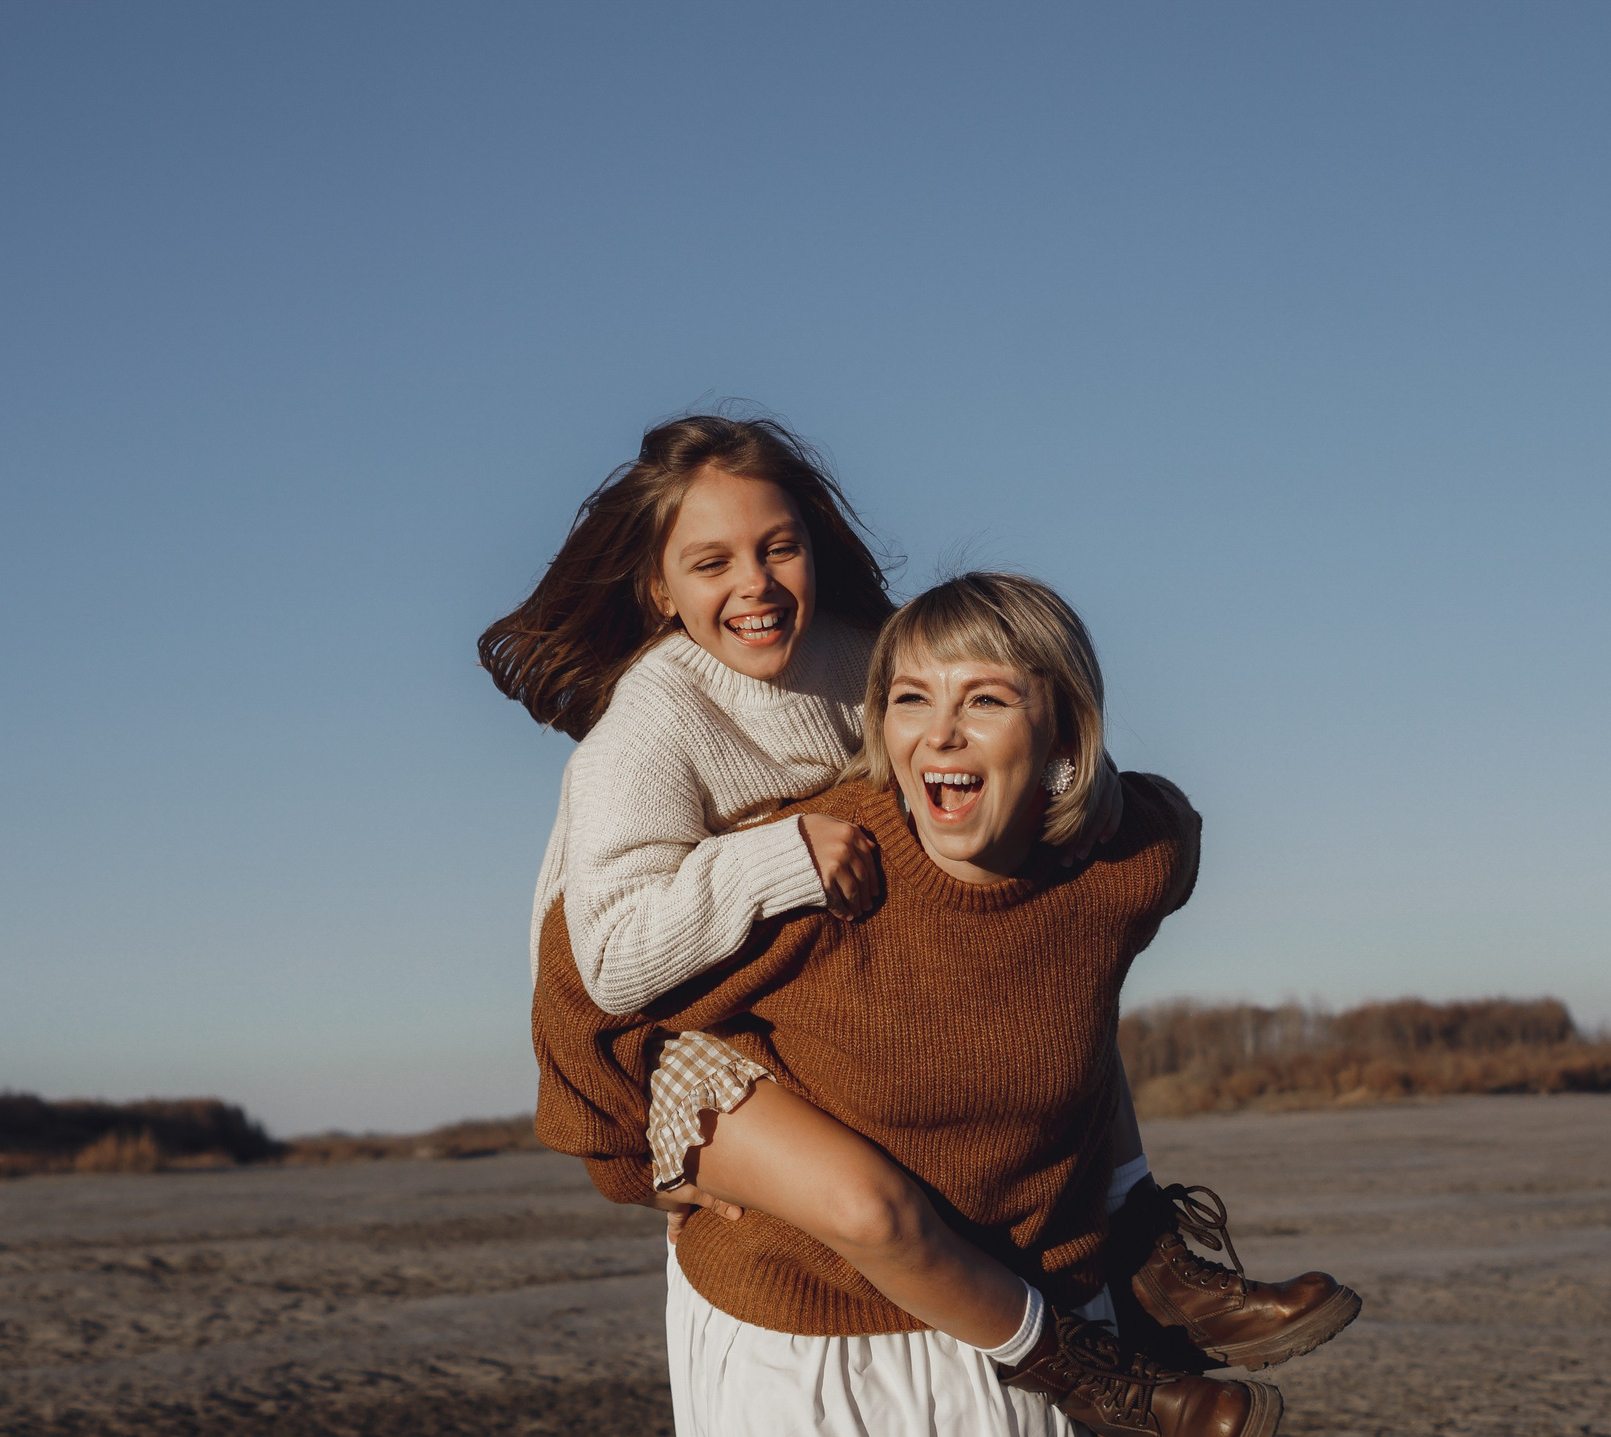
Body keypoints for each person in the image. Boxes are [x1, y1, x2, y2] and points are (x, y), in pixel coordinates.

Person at [537, 572, 1321, 1437]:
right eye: (910, 699)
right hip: (806, 1304)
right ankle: (1101, 1379)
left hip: (1010, 1268)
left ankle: (1153, 1253)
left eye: (984, 700)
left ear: (1063, 734)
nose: (940, 733)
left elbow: (1167, 838)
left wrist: (1096, 802)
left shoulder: (1121, 861)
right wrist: (637, 1155)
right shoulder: (834, 863)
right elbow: (580, 986)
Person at [482, 415, 1357, 1377]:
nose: (755, 584)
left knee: (1041, 938)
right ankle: (1078, 1370)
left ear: (814, 545)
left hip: (841, 967)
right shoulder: (648, 726)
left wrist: (1083, 784)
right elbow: (606, 961)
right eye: (711, 563)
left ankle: (1142, 1240)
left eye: (778, 547)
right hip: (675, 1016)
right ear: (659, 587)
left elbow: (997, 719)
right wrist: (776, 857)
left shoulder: (867, 653)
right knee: (870, 1203)